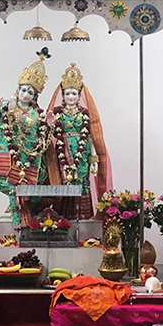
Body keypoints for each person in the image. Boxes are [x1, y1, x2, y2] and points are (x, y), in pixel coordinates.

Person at [0, 51, 52, 227]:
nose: (25, 94)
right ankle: (17, 219)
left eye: (30, 92)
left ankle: (32, 221)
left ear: (34, 96)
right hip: (11, 155)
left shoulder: (37, 114)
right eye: (23, 90)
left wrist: (49, 124)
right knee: (11, 188)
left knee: (32, 188)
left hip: (30, 157)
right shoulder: (8, 107)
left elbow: (42, 135)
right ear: (17, 90)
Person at [44, 63, 112, 220]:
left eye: (74, 93)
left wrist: (94, 160)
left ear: (79, 94)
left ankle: (83, 219)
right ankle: (62, 220)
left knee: (81, 182)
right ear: (63, 95)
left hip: (81, 154)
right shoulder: (58, 114)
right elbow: (49, 134)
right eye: (67, 93)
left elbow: (90, 137)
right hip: (62, 151)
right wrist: (48, 124)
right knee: (63, 181)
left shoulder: (84, 115)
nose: (71, 97)